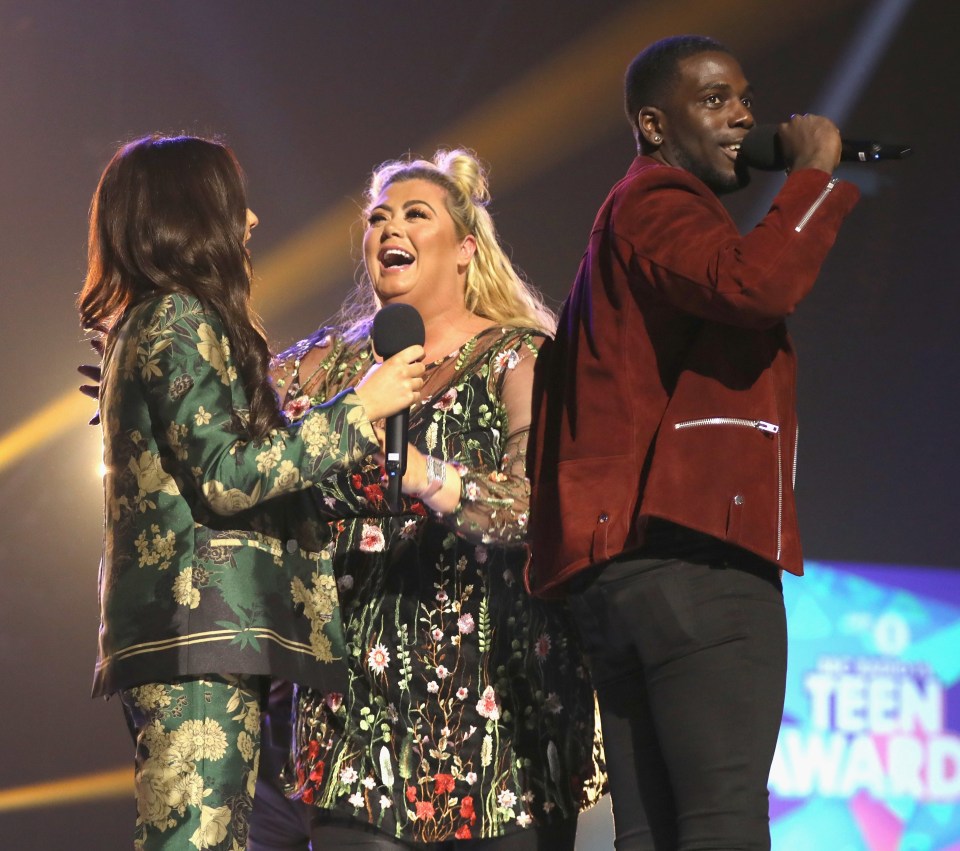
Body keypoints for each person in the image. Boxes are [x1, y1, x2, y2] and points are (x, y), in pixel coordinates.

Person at [528, 35, 861, 851]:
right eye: (714, 100)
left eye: (743, 98)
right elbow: (758, 283)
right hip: (695, 561)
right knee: (720, 821)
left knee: (653, 832)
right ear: (652, 125)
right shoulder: (656, 201)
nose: (743, 114)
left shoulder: (633, 217)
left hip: (631, 572)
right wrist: (812, 175)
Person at [78, 134, 424, 851]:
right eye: (233, 203)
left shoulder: (155, 321)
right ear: (191, 215)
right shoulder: (178, 317)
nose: (253, 221)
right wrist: (362, 408)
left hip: (192, 634)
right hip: (195, 636)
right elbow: (230, 475)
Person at [272, 148, 605, 849]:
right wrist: (147, 373)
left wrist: (427, 474)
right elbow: (237, 445)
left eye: (415, 214)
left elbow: (537, 505)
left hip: (497, 723)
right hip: (354, 713)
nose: (389, 227)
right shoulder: (324, 366)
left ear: (464, 249)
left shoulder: (517, 355)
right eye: (378, 217)